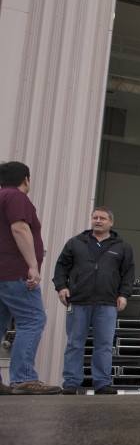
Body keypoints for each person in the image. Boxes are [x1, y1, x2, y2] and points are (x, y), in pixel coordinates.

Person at [52, 206, 135, 395]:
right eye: (95, 217)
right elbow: (61, 267)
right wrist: (61, 287)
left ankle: (102, 383)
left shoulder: (122, 246)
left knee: (104, 345)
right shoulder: (75, 243)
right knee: (75, 343)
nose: (98, 221)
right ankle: (71, 382)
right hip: (79, 301)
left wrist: (123, 294)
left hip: (107, 303)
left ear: (111, 222)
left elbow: (128, 273)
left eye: (103, 218)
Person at [0, 161, 60, 395]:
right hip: (15, 274)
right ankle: (23, 378)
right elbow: (19, 228)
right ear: (26, 179)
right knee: (32, 320)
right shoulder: (16, 197)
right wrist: (32, 266)